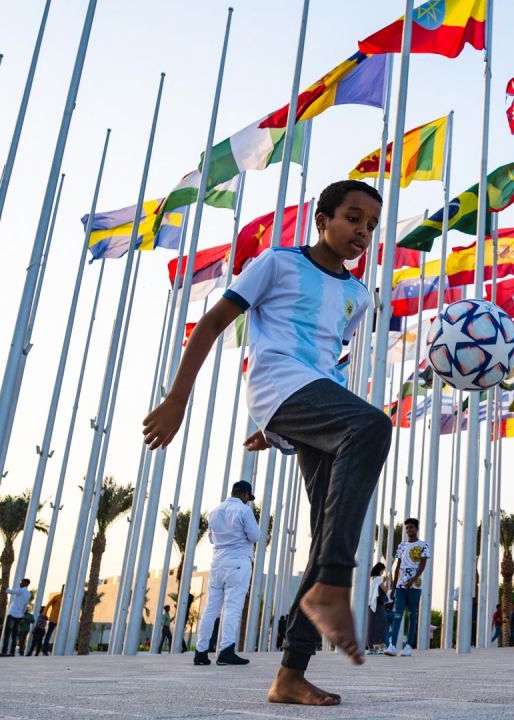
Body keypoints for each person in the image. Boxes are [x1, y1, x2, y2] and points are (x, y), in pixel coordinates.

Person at [142, 180, 386, 707]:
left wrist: (285, 428)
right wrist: (177, 399)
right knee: (375, 426)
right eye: (351, 217)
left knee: (327, 533)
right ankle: (335, 588)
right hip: (277, 383)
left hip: (314, 404)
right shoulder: (278, 262)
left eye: (370, 224)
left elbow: (331, 360)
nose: (362, 231)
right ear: (322, 220)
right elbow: (211, 323)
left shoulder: (357, 295)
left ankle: (290, 675)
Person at [192, 480, 262, 667]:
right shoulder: (244, 511)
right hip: (238, 562)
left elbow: (211, 538)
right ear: (246, 495)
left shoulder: (215, 511)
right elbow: (255, 536)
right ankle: (226, 650)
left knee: (211, 609)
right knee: (232, 607)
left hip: (217, 563)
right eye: (249, 497)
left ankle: (200, 652)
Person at [386, 517, 430, 656]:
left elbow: (422, 565)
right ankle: (392, 645)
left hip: (415, 586)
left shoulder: (424, 545)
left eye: (411, 527)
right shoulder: (402, 546)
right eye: (407, 528)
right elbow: (397, 566)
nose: (408, 530)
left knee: (412, 615)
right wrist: (393, 587)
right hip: (400, 586)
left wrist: (413, 579)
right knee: (398, 615)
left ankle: (409, 646)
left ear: (416, 528)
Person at [0, 578, 31, 656]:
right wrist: (22, 615)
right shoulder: (28, 594)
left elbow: (10, 591)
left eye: (21, 582)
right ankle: (12, 652)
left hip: (12, 614)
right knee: (14, 634)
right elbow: (25, 606)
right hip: (19, 616)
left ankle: (4, 651)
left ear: (26, 583)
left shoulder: (21, 590)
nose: (20, 583)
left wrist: (2, 585)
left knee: (7, 633)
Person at [367, 563, 390, 654]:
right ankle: (381, 647)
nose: (382, 572)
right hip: (378, 605)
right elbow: (385, 590)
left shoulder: (370, 579)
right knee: (382, 625)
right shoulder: (378, 579)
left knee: (372, 626)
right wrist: (387, 581)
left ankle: (371, 647)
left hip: (370, 604)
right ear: (380, 570)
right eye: (382, 571)